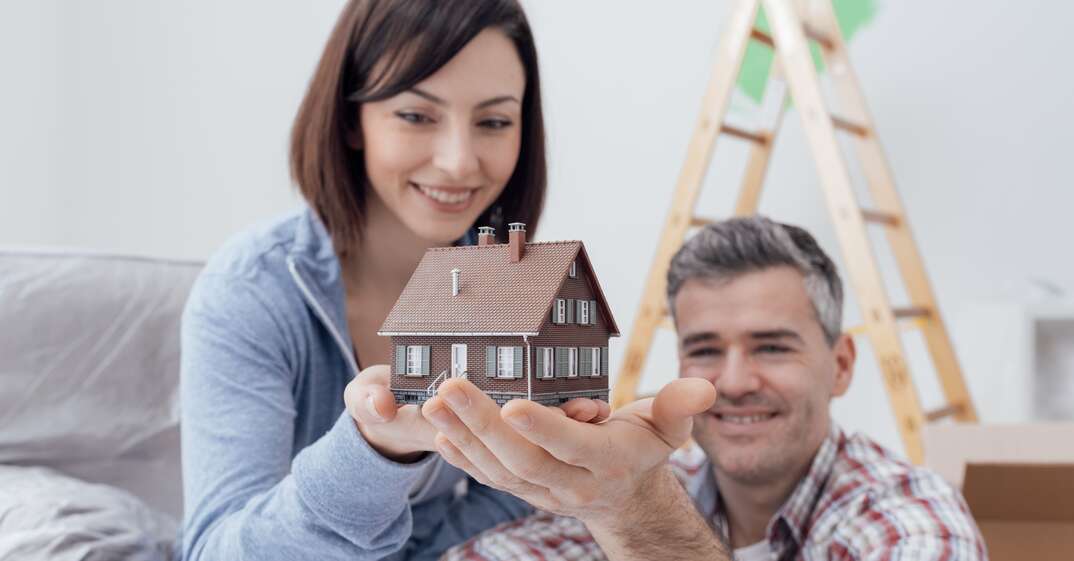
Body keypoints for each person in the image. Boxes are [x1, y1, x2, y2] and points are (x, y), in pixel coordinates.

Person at [178, 1, 606, 559]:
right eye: (416, 116)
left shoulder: (511, 286)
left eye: (494, 121)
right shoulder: (253, 290)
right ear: (352, 119)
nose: (458, 162)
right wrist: (374, 450)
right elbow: (213, 551)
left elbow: (514, 502)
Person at [424, 216, 986, 560]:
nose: (736, 382)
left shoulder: (907, 514)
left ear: (840, 365)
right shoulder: (662, 484)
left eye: (772, 346)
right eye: (706, 350)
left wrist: (634, 513)